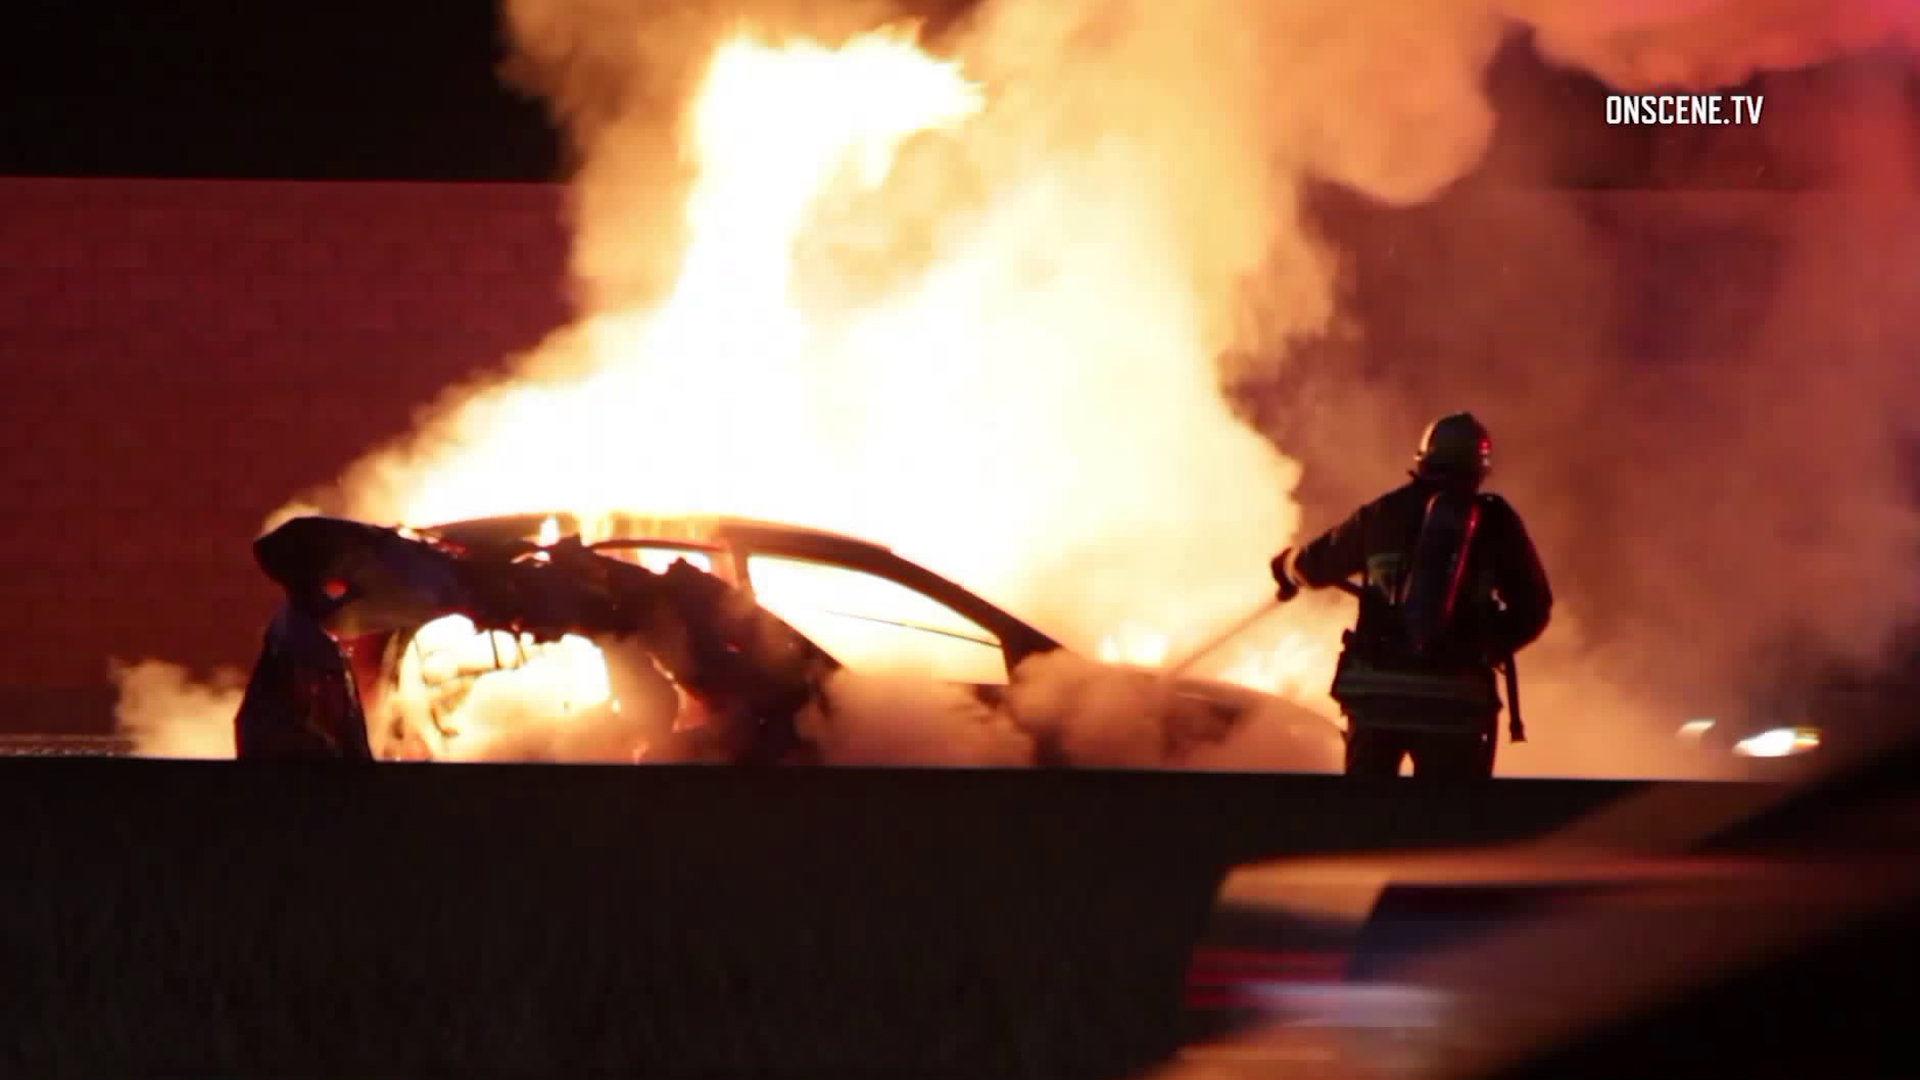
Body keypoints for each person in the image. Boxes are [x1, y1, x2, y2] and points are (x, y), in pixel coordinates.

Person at [1270, 412, 1552, 778]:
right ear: (1479, 468)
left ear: (1423, 460)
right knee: (1446, 826)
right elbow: (1534, 606)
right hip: (1455, 704)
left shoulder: (1382, 513)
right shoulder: (1497, 523)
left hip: (1376, 700)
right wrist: (1485, 644)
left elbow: (1314, 566)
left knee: (1364, 820)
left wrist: (1287, 567)